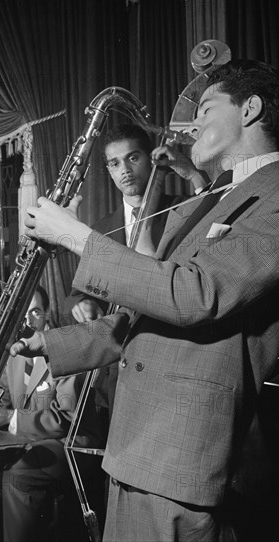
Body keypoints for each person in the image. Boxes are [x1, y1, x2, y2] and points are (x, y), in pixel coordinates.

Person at [11, 60, 279, 541]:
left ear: (250, 109)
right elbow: (143, 316)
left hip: (182, 454)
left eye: (206, 107)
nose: (193, 124)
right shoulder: (215, 198)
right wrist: (51, 344)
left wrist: (76, 236)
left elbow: (195, 294)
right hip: (139, 446)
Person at [64, 123, 206, 421]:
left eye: (133, 158)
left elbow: (216, 208)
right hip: (115, 374)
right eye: (114, 163)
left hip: (169, 364)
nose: (124, 170)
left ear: (151, 158)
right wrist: (82, 304)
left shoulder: (183, 210)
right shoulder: (101, 230)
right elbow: (76, 295)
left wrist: (193, 175)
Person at [0, 285, 102, 542]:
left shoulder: (65, 349)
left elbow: (66, 418)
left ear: (47, 314)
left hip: (71, 445)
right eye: (24, 314)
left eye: (36, 312)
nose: (29, 320)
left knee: (19, 475)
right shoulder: (15, 355)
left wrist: (9, 418)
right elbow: (5, 399)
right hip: (34, 440)